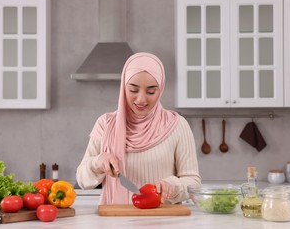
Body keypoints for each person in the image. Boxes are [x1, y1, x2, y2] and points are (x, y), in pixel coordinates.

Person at [76, 52, 201, 205]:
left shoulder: (178, 125)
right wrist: (97, 161)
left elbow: (194, 183)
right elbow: (82, 180)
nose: (141, 99)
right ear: (123, 87)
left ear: (160, 89)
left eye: (151, 92)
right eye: (133, 90)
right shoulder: (106, 124)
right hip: (115, 220)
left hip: (163, 221)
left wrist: (172, 186)